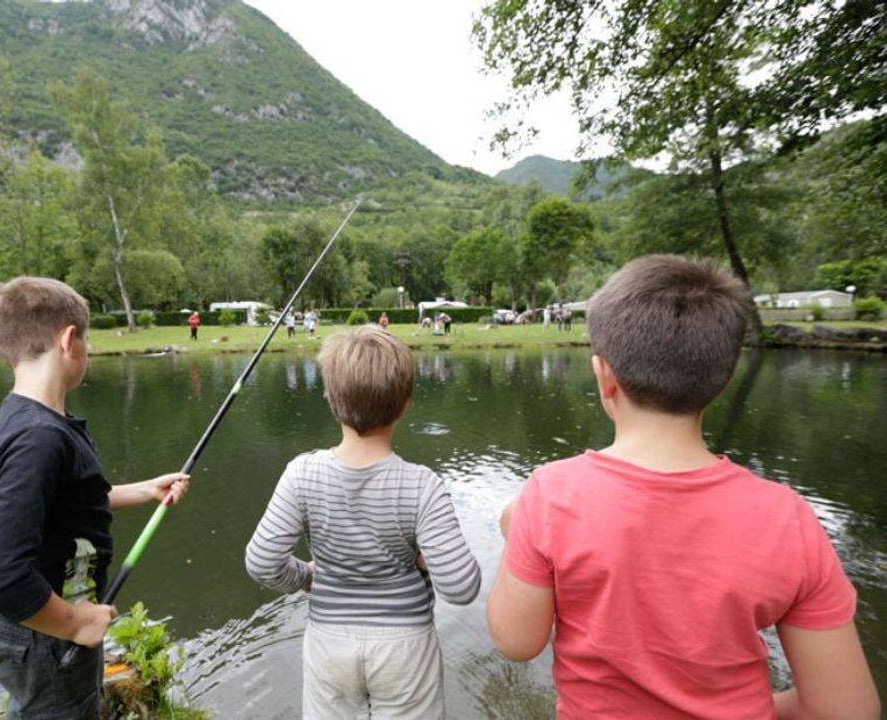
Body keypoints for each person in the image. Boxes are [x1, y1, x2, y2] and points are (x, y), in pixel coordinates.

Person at [486, 255, 880, 720]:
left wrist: (518, 531)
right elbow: (846, 710)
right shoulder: (788, 517)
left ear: (604, 376)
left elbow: (516, 641)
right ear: (723, 381)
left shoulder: (550, 495)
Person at [0, 277, 190, 720]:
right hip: (46, 633)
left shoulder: (33, 417)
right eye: (87, 339)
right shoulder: (39, 439)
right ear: (70, 340)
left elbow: (66, 504)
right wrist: (75, 623)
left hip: (44, 627)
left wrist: (145, 491)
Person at [246, 325, 481, 719]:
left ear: (329, 398)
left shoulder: (302, 474)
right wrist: (424, 560)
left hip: (329, 641)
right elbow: (461, 587)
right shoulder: (423, 485)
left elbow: (262, 562)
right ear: (406, 405)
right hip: (405, 646)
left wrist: (306, 577)